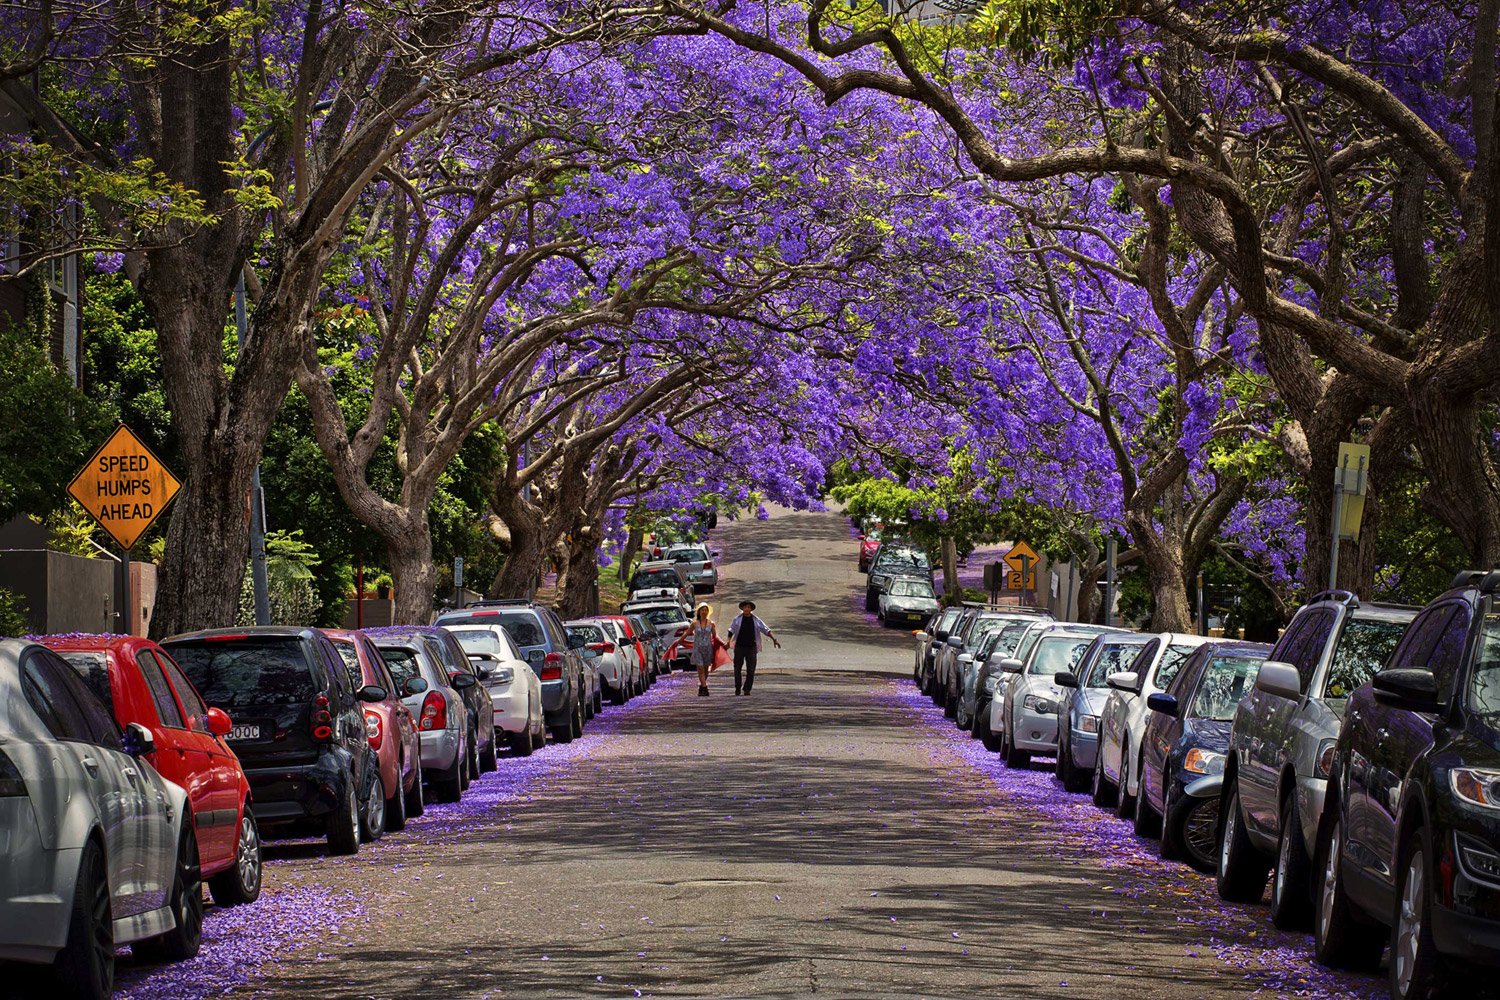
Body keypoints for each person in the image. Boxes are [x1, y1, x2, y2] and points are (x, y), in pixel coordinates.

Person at [726, 599, 780, 696]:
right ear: (742, 609)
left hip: (751, 647)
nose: (747, 609)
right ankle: (737, 687)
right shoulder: (737, 619)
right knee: (737, 668)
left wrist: (774, 639)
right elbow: (731, 630)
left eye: (749, 607)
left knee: (751, 669)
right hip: (739, 647)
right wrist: (728, 641)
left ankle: (747, 689)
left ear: (751, 609)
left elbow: (766, 629)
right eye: (745, 607)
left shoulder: (756, 620)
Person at [690, 603, 719, 697]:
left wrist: (723, 644)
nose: (704, 612)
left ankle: (702, 686)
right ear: (699, 611)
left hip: (708, 649)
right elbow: (686, 633)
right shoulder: (694, 623)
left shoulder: (711, 624)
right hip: (698, 648)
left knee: (706, 669)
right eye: (702, 610)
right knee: (700, 668)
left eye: (706, 610)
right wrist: (678, 642)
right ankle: (705, 688)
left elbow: (715, 636)